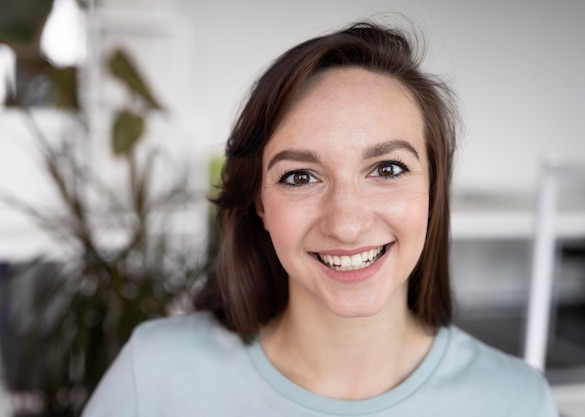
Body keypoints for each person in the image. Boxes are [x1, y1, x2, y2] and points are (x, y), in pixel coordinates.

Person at [83, 21, 558, 416]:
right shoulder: (153, 374)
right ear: (260, 204)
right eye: (300, 177)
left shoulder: (517, 402)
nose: (346, 223)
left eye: (387, 169)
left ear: (434, 191)